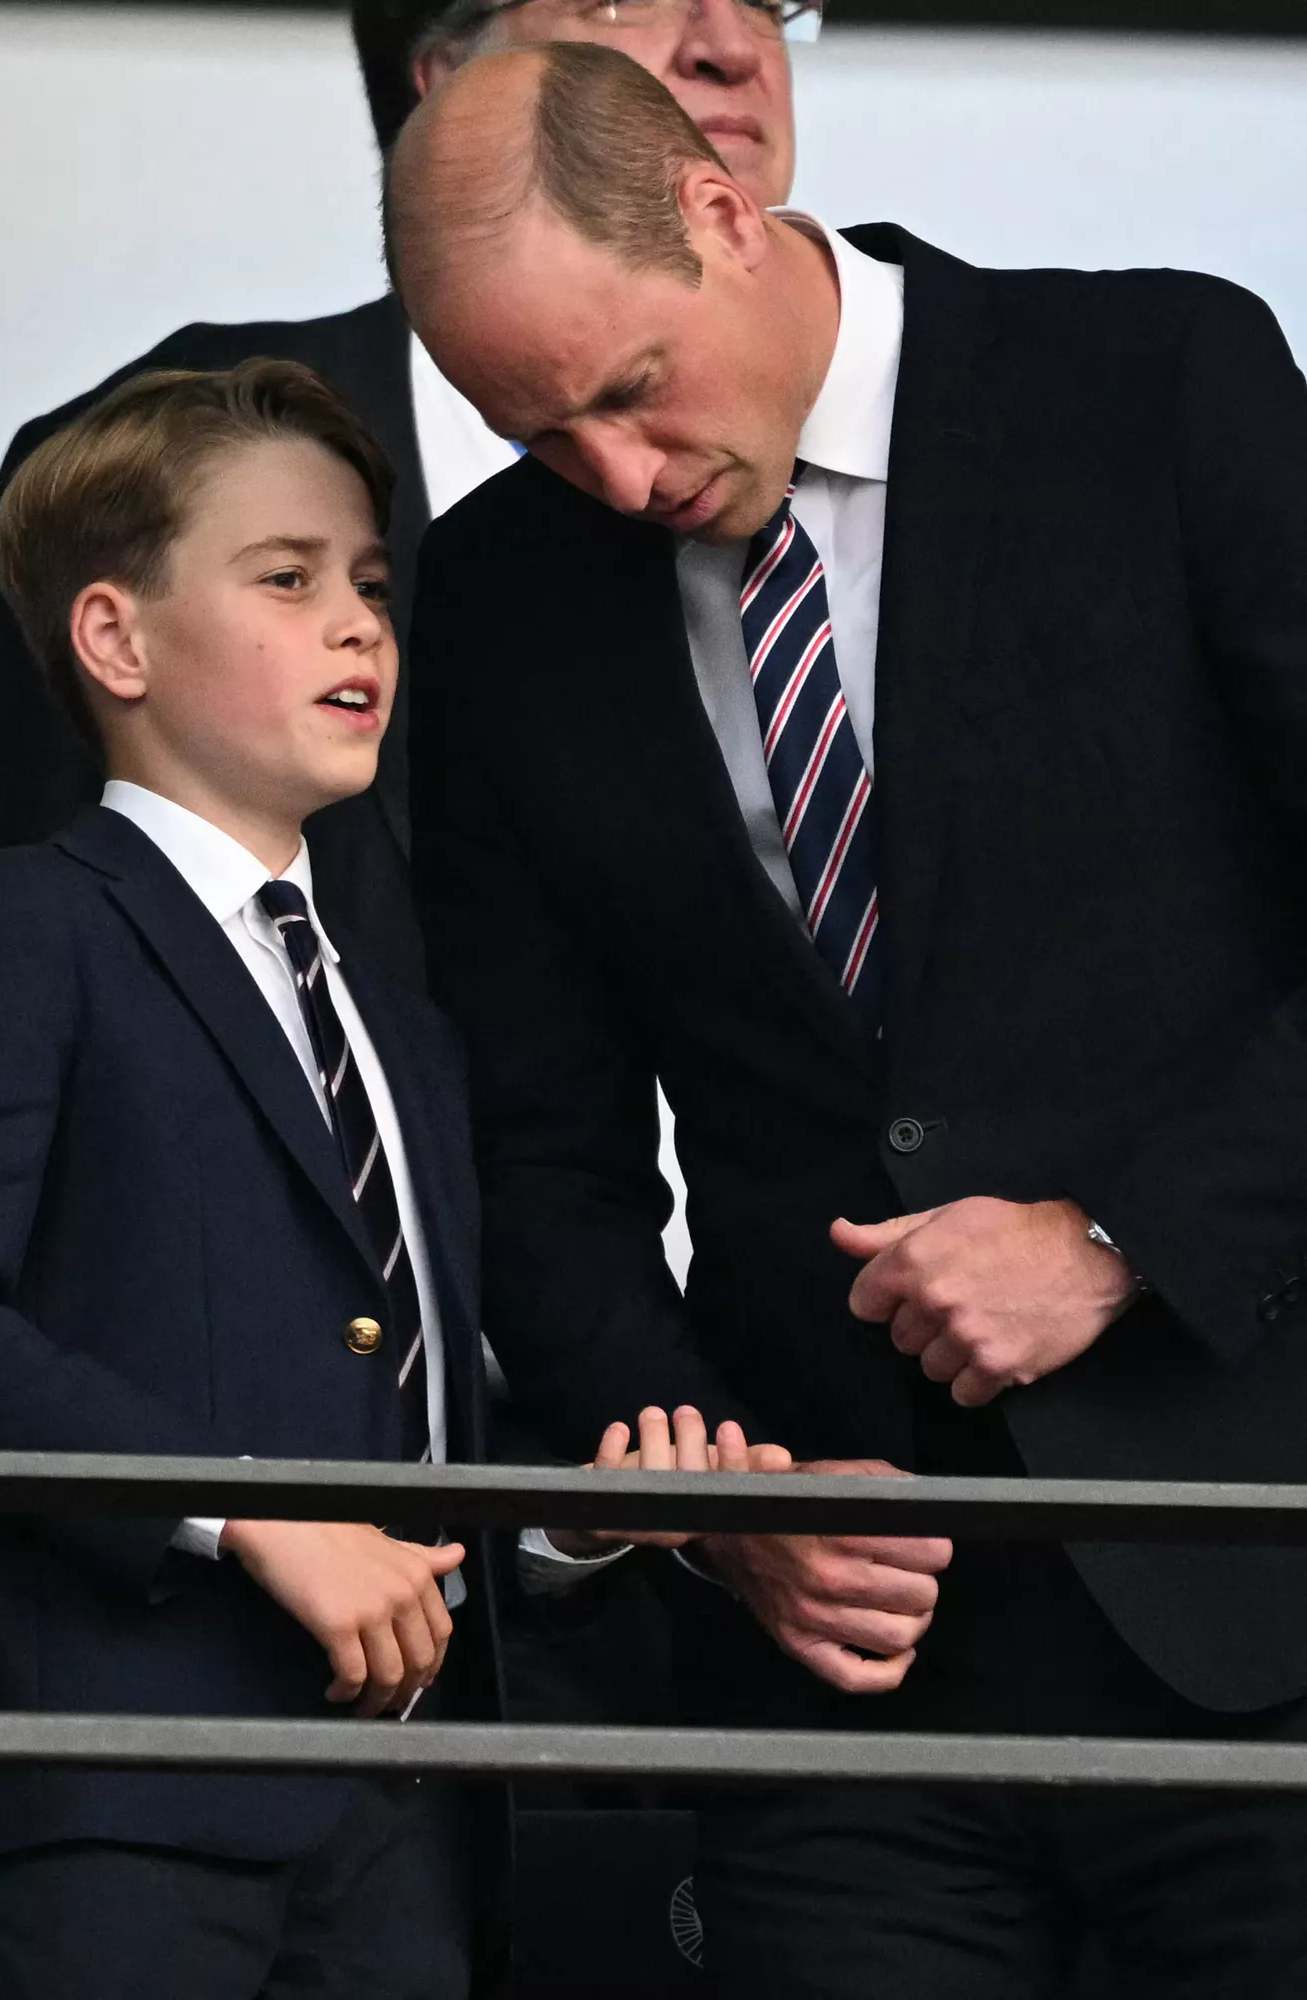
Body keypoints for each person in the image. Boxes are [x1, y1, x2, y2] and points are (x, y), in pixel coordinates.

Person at [387, 42, 1307, 1999]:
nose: (616, 479)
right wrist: (712, 1495)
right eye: (531, 434)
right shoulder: (499, 597)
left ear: (723, 202)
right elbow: (537, 1147)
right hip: (826, 1666)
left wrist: (1122, 1241)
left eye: (629, 390)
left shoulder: (1159, 386)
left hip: (1249, 1577)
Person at [0, 360, 499, 1999]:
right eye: (286, 579)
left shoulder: (398, 1021)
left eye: (367, 585)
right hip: (104, 1808)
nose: (356, 625)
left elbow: (404, 1379)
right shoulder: (20, 922)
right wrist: (246, 1505)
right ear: (114, 637)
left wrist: (610, 1520)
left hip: (398, 1822)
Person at [0, 0, 812, 950]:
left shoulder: (920, 433)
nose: (729, 47)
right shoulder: (148, 456)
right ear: (449, 75)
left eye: (767, 2)